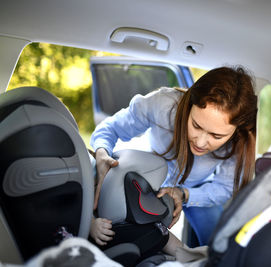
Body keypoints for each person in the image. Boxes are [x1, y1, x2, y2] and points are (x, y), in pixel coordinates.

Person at [89, 66, 258, 246]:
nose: (200, 142)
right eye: (196, 125)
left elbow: (224, 187)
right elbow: (110, 128)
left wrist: (184, 194)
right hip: (151, 181)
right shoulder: (163, 105)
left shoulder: (239, 140)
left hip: (195, 188)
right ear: (190, 104)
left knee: (218, 242)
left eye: (216, 136)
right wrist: (101, 153)